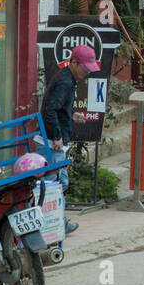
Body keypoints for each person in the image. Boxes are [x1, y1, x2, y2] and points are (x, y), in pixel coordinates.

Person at [41, 43, 101, 235]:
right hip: (52, 143)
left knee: (59, 183)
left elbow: (57, 108)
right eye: (85, 68)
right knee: (54, 184)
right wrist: (57, 137)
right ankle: (55, 223)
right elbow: (49, 110)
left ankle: (59, 222)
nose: (87, 73)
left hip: (55, 140)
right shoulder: (65, 82)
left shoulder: (68, 79)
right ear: (74, 63)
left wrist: (72, 114)